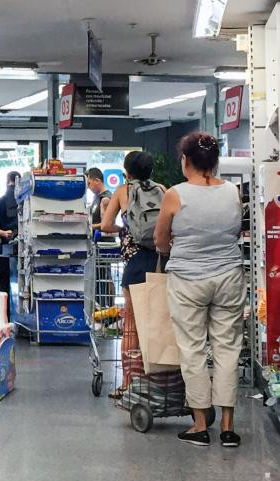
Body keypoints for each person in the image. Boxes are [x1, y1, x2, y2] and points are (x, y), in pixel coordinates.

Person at [154, 132, 245, 448]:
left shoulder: (175, 194)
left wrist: (176, 250)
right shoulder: (233, 191)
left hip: (187, 280)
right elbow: (235, 230)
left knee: (192, 349)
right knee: (227, 347)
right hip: (229, 277)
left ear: (186, 160)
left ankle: (200, 425)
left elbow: (160, 239)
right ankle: (229, 428)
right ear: (215, 161)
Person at [101, 151, 182, 400]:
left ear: (127, 171)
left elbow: (105, 225)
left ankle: (128, 383)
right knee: (159, 320)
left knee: (131, 327)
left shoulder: (123, 192)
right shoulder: (163, 189)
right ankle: (155, 379)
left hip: (135, 263)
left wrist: (125, 229)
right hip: (161, 261)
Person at [0, 171, 21, 238]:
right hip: (22, 241)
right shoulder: (25, 201)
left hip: (5, 243)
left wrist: (3, 233)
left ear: (6, 182)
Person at [87, 167, 112, 232]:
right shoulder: (96, 197)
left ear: (97, 181)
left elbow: (107, 225)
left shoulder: (106, 198)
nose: (88, 187)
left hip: (104, 240)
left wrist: (88, 226)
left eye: (89, 184)